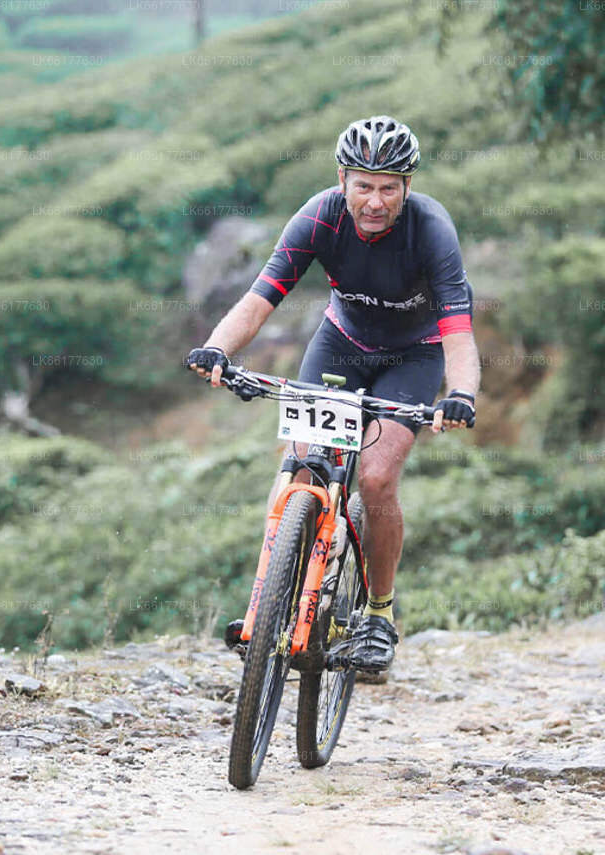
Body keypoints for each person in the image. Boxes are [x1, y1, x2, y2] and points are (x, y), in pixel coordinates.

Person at [186, 115, 480, 672]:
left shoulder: (431, 229)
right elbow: (261, 297)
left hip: (413, 356)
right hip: (340, 343)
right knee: (300, 468)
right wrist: (217, 349)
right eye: (363, 185)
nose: (375, 201)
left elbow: (458, 332)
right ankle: (270, 605)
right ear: (342, 179)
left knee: (376, 478)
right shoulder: (318, 216)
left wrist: (461, 393)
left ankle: (378, 613)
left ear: (407, 187)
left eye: (389, 187)